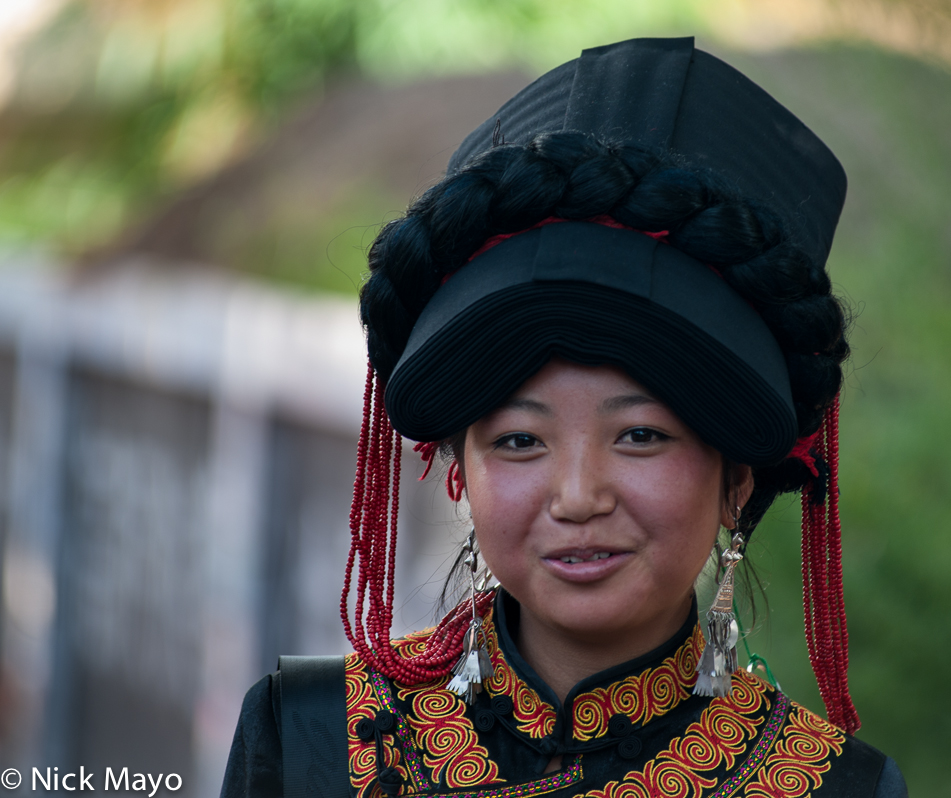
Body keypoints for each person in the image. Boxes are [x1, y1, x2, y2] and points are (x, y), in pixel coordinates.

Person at [222, 37, 907, 798]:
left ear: (737, 480)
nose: (578, 496)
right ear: (461, 474)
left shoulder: (830, 786)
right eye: (520, 440)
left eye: (641, 435)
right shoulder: (311, 740)